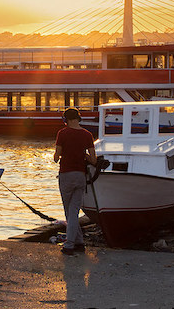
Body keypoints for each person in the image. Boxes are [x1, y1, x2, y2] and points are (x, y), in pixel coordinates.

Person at [53, 107, 97, 255]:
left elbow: (56, 157)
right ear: (78, 118)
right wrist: (84, 155)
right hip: (80, 176)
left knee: (69, 211)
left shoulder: (62, 133)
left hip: (66, 175)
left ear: (66, 120)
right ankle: (79, 243)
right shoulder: (87, 135)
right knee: (74, 211)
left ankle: (69, 245)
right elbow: (94, 160)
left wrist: (58, 155)